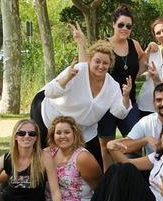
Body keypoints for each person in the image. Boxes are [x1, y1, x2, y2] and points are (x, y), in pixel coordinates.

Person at [30, 40, 132, 169]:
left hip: (85, 129)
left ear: (110, 64)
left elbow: (120, 113)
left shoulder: (112, 86)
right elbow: (49, 92)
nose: (101, 66)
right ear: (90, 60)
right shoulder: (77, 70)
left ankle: (98, 189)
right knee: (42, 159)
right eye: (97, 61)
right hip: (49, 117)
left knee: (96, 166)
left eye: (105, 63)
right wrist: (67, 78)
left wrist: (126, 96)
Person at [98, 4, 148, 168]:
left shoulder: (134, 44)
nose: (124, 28)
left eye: (128, 26)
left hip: (129, 103)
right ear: (113, 24)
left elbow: (142, 60)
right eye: (121, 25)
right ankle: (108, 181)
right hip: (107, 105)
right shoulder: (105, 46)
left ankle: (135, 179)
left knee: (134, 144)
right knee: (106, 147)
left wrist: (137, 73)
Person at [44, 116, 102, 201]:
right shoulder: (48, 153)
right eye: (58, 133)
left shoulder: (82, 157)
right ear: (53, 136)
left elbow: (99, 188)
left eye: (67, 132)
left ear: (75, 134)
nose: (63, 136)